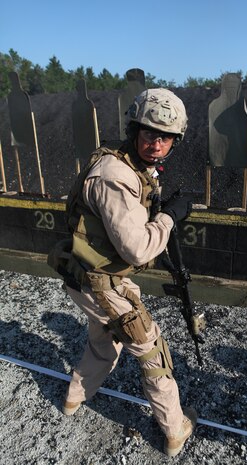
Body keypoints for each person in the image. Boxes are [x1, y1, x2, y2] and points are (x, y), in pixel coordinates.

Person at [48, 88, 196, 457]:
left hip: (90, 274)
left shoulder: (127, 162)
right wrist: (169, 216)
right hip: (101, 283)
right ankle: (176, 430)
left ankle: (72, 400)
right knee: (152, 352)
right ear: (135, 130)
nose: (157, 144)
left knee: (103, 343)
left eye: (166, 138)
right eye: (149, 133)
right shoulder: (114, 175)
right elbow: (138, 248)